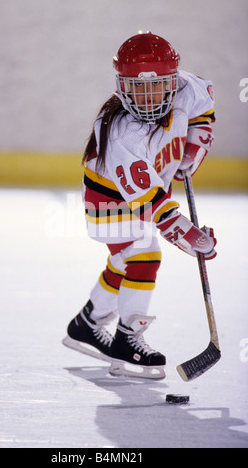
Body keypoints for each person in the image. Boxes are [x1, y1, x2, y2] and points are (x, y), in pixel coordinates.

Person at [62, 31, 217, 379]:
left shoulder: (187, 89)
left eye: (157, 86)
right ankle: (128, 342)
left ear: (173, 80)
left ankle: (86, 324)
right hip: (109, 201)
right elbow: (146, 202)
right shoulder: (123, 133)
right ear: (121, 85)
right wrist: (189, 238)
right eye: (136, 88)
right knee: (144, 254)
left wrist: (194, 145)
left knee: (123, 261)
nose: (146, 99)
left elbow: (205, 106)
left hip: (139, 197)